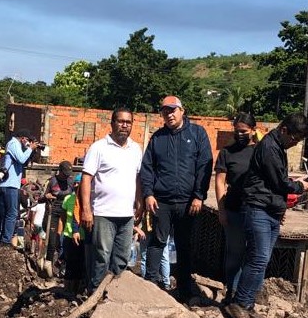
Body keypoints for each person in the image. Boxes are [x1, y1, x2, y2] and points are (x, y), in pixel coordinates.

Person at [225, 112, 308, 318]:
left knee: (262, 260)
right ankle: (238, 303)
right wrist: (300, 187)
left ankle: (248, 303)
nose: (295, 144)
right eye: (294, 139)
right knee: (258, 258)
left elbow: (277, 183)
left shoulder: (277, 147)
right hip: (258, 209)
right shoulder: (270, 148)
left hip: (270, 210)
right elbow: (280, 183)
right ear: (284, 130)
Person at [140, 95, 213, 301]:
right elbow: (147, 168)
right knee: (157, 242)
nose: (169, 114)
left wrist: (199, 195)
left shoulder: (197, 134)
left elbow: (204, 165)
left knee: (184, 245)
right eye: (165, 111)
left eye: (173, 110)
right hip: (161, 201)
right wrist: (148, 194)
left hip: (188, 202)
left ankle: (184, 290)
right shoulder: (158, 138)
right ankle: (150, 286)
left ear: (182, 111)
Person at [80, 107, 143, 292]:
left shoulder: (136, 149)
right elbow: (86, 179)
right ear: (112, 123)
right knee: (101, 257)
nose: (124, 125)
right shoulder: (99, 148)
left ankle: (113, 298)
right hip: (103, 213)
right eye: (121, 121)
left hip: (126, 215)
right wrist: (85, 210)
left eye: (128, 122)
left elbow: (138, 179)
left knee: (122, 259)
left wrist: (139, 202)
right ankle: (94, 297)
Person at [215, 112, 259, 303]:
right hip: (234, 210)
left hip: (257, 211)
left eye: (244, 131)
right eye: (237, 131)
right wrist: (221, 210)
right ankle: (231, 292)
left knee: (255, 256)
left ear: (253, 131)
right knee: (234, 253)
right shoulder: (227, 153)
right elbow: (220, 182)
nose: (240, 134)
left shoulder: (260, 152)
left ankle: (247, 296)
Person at [0, 129, 40, 246]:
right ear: (23, 138)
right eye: (27, 140)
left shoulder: (16, 145)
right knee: (12, 213)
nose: (28, 143)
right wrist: (30, 148)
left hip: (10, 184)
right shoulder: (14, 143)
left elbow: (24, 162)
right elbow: (21, 159)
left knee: (6, 213)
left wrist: (32, 151)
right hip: (9, 185)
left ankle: (1, 238)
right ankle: (5, 241)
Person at [58, 173, 85, 294]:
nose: (76, 185)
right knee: (70, 263)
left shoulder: (87, 200)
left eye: (78, 183)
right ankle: (68, 289)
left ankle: (79, 289)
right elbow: (62, 218)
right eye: (75, 183)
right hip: (69, 236)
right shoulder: (68, 199)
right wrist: (60, 233)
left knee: (81, 264)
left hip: (84, 237)